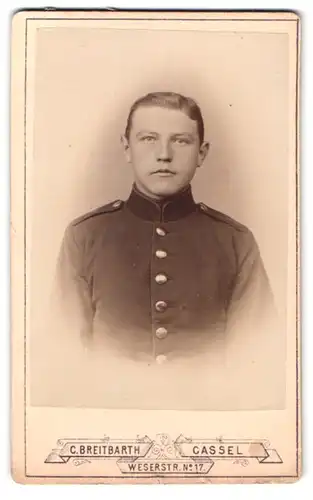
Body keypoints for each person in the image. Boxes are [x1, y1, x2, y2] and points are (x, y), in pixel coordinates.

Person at [47, 91, 284, 410]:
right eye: (148, 138)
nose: (164, 154)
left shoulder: (235, 241)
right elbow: (65, 361)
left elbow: (256, 366)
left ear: (202, 153)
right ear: (126, 148)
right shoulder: (85, 235)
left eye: (181, 141)